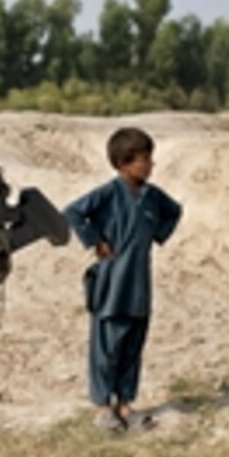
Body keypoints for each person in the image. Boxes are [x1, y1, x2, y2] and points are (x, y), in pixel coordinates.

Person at [63, 128, 182, 432]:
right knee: (106, 346)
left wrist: (157, 233)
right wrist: (96, 241)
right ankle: (103, 407)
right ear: (123, 162)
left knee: (132, 344)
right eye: (144, 159)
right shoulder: (108, 193)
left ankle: (125, 404)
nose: (150, 165)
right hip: (111, 284)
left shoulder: (153, 197)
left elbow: (175, 211)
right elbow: (73, 213)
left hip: (139, 285)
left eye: (150, 158)